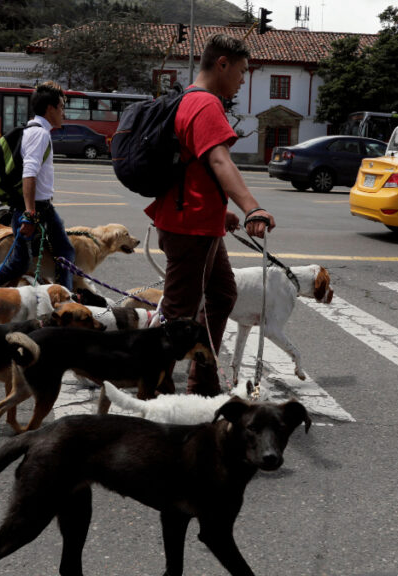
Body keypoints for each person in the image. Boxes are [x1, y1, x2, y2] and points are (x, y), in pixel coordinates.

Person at [145, 33, 275, 397]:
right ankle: (151, 391)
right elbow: (219, 161)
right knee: (176, 314)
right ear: (222, 64)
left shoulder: (189, 99)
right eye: (242, 71)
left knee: (221, 294)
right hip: (190, 228)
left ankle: (202, 383)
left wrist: (222, 213)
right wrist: (252, 207)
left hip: (197, 222)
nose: (243, 79)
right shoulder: (205, 104)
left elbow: (195, 170)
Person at [0, 81, 75, 291]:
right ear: (50, 108)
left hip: (43, 207)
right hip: (32, 208)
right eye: (61, 107)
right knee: (19, 263)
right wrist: (29, 214)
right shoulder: (39, 134)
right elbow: (29, 173)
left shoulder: (37, 131)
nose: (63, 113)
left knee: (65, 252)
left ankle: (64, 297)